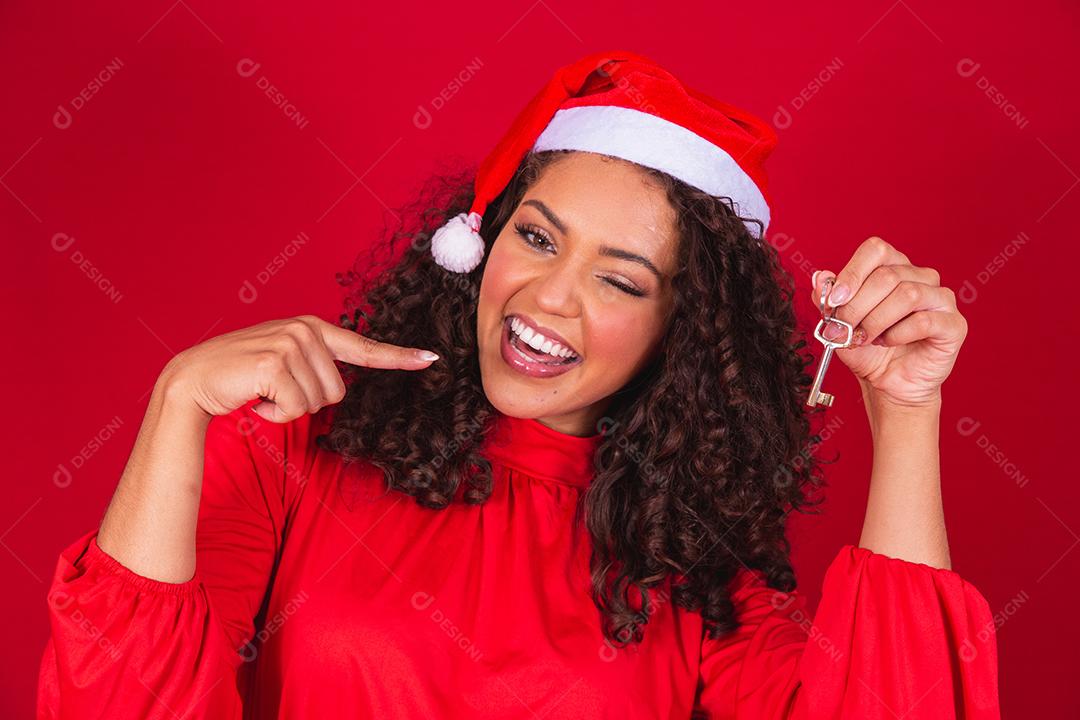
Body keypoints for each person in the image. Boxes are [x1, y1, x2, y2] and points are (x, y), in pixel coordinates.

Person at [36, 50, 1000, 718]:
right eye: (537, 237)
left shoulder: (697, 574)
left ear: (680, 330)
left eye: (621, 281)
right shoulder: (299, 438)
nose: (549, 296)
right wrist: (176, 404)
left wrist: (906, 411)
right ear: (483, 238)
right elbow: (120, 704)